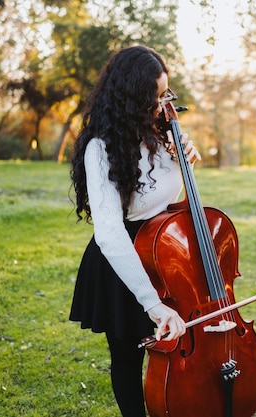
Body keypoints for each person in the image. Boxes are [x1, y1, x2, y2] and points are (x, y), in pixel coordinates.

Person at [68, 45, 200, 417]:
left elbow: (168, 197)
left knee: (179, 350)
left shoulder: (161, 133)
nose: (163, 105)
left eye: (165, 94)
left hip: (166, 255)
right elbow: (109, 232)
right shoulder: (101, 148)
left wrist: (185, 157)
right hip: (123, 260)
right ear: (131, 97)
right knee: (128, 359)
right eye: (155, 97)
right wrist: (152, 302)